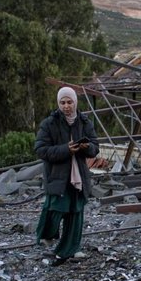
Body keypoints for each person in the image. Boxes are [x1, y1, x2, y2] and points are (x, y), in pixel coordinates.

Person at [35, 86, 99, 266]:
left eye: (69, 102)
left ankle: (69, 250)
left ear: (75, 103)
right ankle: (46, 234)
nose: (66, 106)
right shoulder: (50, 123)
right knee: (55, 208)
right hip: (57, 177)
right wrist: (65, 149)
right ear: (58, 104)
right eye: (62, 102)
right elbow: (40, 149)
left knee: (75, 213)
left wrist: (87, 148)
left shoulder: (84, 122)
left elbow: (95, 147)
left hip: (79, 177)